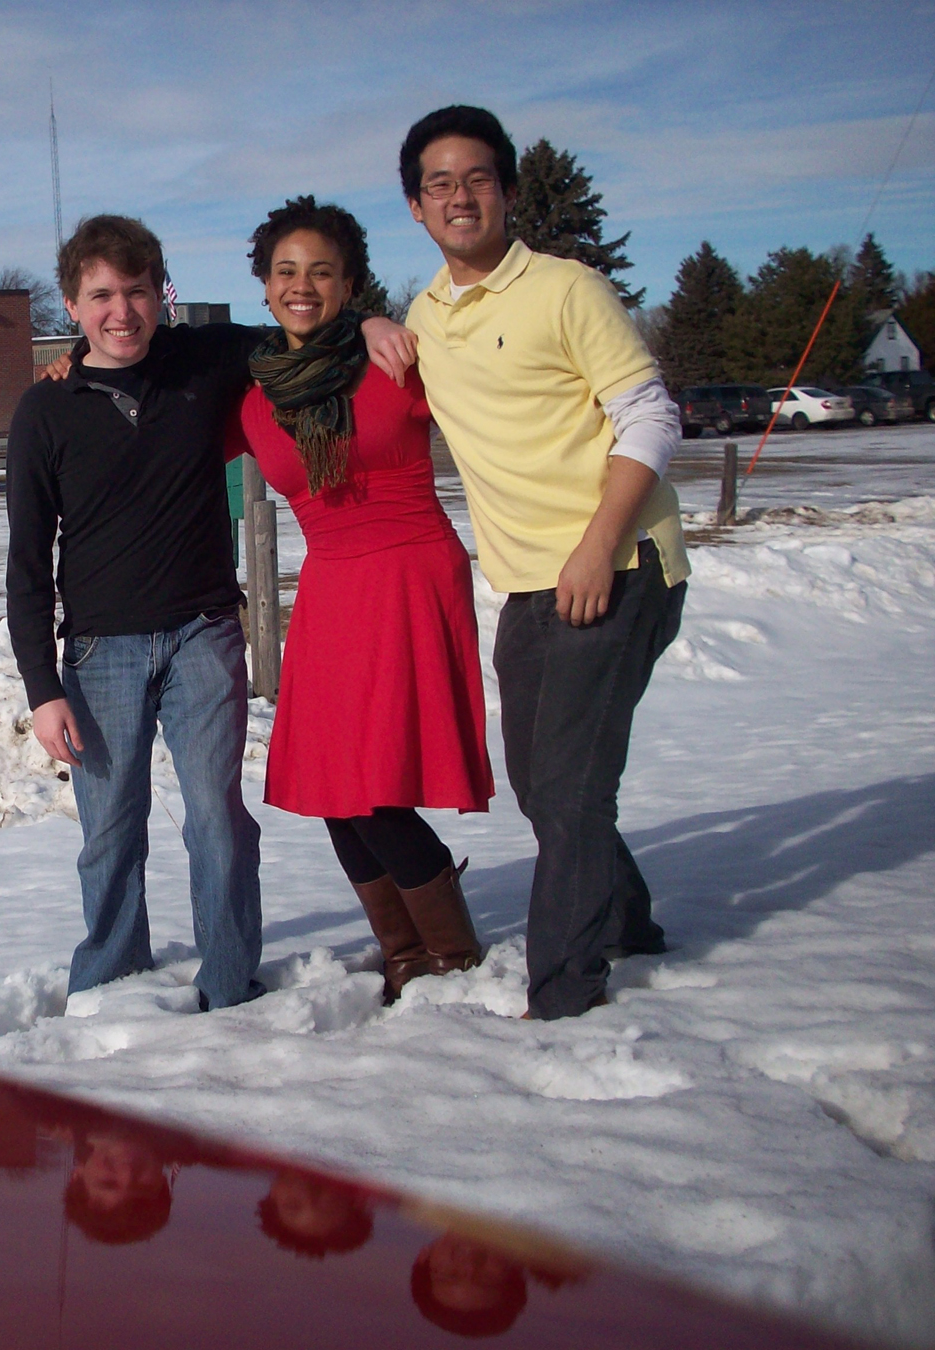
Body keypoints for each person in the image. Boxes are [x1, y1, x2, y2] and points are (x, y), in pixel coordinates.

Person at [7, 214, 414, 1011]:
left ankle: (230, 982)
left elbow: (302, 328)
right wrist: (40, 685)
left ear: (163, 295)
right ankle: (108, 986)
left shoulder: (204, 361)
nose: (120, 312)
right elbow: (27, 560)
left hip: (204, 634)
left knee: (218, 823)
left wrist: (365, 318)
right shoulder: (44, 411)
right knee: (109, 835)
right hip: (99, 655)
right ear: (70, 304)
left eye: (136, 292)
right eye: (100, 296)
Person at [396, 106, 689, 1020]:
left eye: (477, 178)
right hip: (527, 581)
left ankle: (566, 993)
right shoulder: (426, 314)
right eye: (439, 183)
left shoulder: (567, 290)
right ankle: (627, 918)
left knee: (566, 785)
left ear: (508, 191)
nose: (459, 196)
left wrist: (599, 548)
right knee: (542, 781)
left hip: (619, 563)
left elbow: (652, 415)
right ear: (416, 206)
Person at [226, 196, 493, 1003]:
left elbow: (504, 408)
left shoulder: (399, 358)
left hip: (410, 574)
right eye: (286, 271)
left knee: (374, 788)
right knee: (336, 791)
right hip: (333, 590)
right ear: (264, 284)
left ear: (350, 283)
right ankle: (404, 950)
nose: (302, 286)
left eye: (322, 271)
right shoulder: (253, 392)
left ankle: (450, 947)